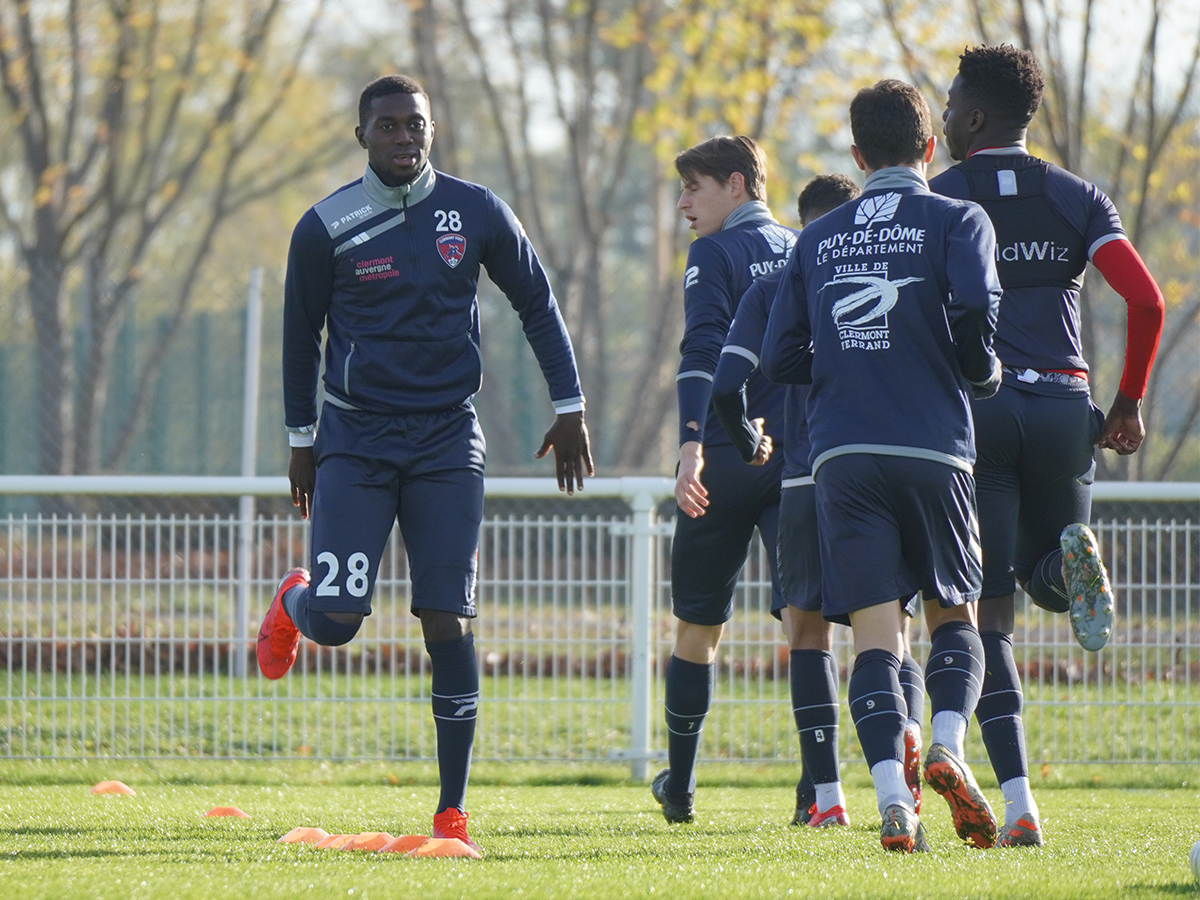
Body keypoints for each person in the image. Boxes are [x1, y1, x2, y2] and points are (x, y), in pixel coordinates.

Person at [258, 74, 593, 854]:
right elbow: (297, 335)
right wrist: (301, 440)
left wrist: (570, 407)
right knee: (338, 625)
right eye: (388, 126)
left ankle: (451, 809)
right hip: (354, 441)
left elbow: (536, 301)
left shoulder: (475, 211)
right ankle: (294, 601)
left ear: (432, 130)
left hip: (448, 441)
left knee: (447, 617)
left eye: (416, 125)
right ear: (362, 136)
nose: (404, 137)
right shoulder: (324, 226)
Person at [931, 44, 1164, 847]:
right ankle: (1069, 558)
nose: (946, 107)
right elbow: (1147, 299)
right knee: (1051, 581)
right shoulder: (1078, 197)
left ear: (976, 117)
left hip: (983, 411)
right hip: (1068, 406)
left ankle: (1023, 807)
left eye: (953, 97)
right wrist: (1127, 399)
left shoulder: (945, 199)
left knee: (989, 615)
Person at [761, 79, 1003, 853]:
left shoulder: (818, 238)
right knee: (953, 615)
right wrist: (977, 370)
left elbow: (778, 356)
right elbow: (974, 309)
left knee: (874, 639)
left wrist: (842, 370)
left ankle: (893, 801)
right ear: (930, 147)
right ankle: (949, 746)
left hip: (841, 453)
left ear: (858, 156)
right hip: (934, 445)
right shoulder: (959, 217)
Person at [711, 173, 929, 830]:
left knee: (807, 637)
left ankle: (828, 798)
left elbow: (726, 385)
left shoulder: (772, 286)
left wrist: (747, 437)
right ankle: (910, 742)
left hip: (808, 478)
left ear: (803, 226)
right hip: (889, 471)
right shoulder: (887, 274)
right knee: (893, 638)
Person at [649, 135, 797, 825]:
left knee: (697, 626)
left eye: (694, 188)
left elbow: (702, 350)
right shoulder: (807, 247)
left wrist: (689, 448)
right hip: (798, 461)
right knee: (808, 624)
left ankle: (679, 786)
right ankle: (819, 793)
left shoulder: (715, 252)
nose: (683, 203)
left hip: (727, 461)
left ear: (736, 185)